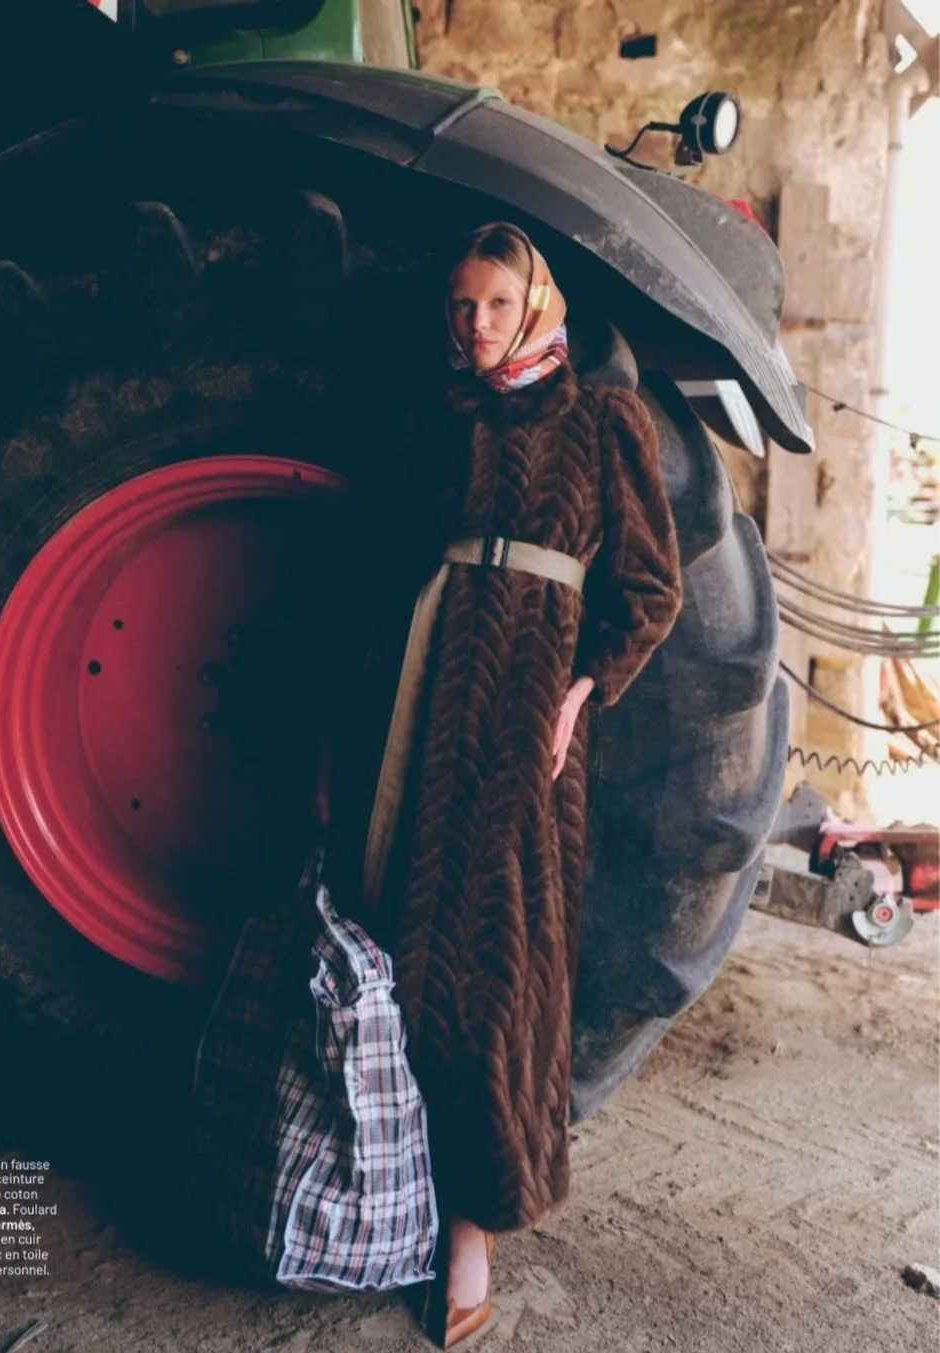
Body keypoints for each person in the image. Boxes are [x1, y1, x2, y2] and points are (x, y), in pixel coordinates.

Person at [357, 222, 684, 1348]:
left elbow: (650, 588)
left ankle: (474, 1231)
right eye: (461, 307)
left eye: (497, 304)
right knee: (403, 955)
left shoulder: (604, 421)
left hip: (528, 722)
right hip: (425, 705)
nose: (477, 326)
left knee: (503, 969)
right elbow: (393, 554)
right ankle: (394, 1202)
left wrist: (581, 690)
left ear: (539, 304)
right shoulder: (446, 421)